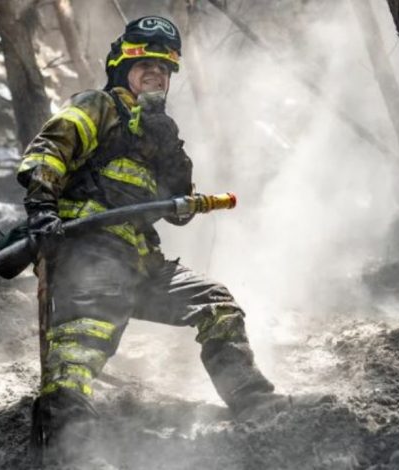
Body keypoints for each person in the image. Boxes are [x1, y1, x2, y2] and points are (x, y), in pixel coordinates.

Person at [15, 15, 287, 460]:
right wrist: (42, 207)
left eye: (163, 68)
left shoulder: (160, 131)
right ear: (124, 67)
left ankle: (257, 404)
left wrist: (168, 142)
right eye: (146, 64)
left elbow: (177, 208)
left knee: (216, 304)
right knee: (83, 340)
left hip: (142, 262)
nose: (156, 73)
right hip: (90, 252)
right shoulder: (97, 106)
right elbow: (50, 149)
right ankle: (73, 448)